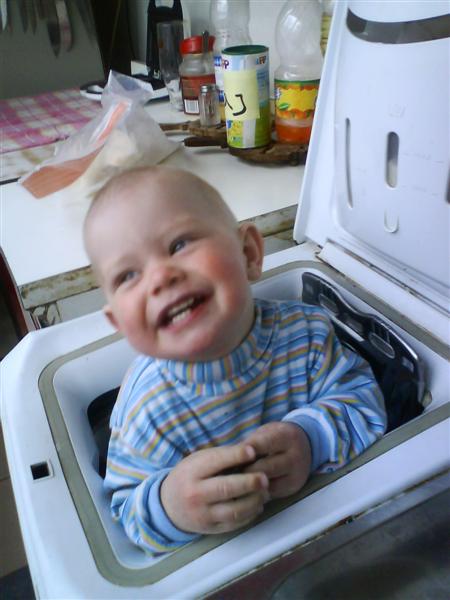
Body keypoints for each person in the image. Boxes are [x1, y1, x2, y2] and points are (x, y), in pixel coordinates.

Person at [83, 165, 386, 555]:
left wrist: (311, 440)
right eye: (127, 276)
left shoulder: (307, 335)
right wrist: (172, 506)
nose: (159, 278)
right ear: (120, 324)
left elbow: (364, 402)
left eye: (179, 244)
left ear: (249, 254)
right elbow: (126, 512)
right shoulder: (145, 411)